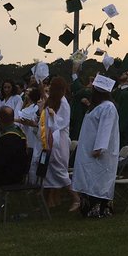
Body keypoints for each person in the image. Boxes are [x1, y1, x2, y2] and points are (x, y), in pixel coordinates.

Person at [71, 74, 121, 218]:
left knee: (99, 181)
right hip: (88, 148)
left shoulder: (108, 107)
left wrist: (99, 147)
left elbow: (105, 129)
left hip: (99, 152)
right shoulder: (96, 107)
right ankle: (88, 208)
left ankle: (100, 209)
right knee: (89, 179)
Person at [42, 76, 72, 207]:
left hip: (60, 139)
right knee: (50, 170)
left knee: (59, 169)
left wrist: (53, 115)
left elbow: (63, 122)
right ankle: (52, 200)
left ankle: (75, 197)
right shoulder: (52, 101)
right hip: (50, 138)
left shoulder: (63, 102)